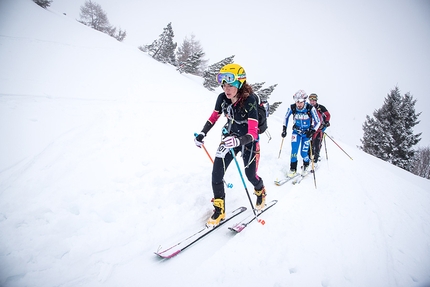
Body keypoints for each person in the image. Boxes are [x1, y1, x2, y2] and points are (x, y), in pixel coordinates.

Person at [194, 63, 266, 227]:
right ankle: (220, 209)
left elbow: (253, 132)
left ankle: (260, 190)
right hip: (230, 138)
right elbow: (213, 117)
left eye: (231, 85)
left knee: (250, 175)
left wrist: (239, 141)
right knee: (217, 172)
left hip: (248, 141)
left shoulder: (250, 100)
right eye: (224, 84)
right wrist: (202, 133)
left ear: (240, 84)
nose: (227, 89)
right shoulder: (222, 98)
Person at [281, 90, 321, 177]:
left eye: (300, 102)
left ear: (304, 101)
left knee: (303, 153)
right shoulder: (292, 107)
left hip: (306, 134)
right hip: (296, 132)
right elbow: (286, 117)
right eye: (297, 102)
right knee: (294, 151)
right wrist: (284, 129)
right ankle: (293, 169)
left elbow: (318, 121)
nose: (298, 104)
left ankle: (306, 165)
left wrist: (312, 131)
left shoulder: (310, 108)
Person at [308, 93, 331, 164]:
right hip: (311, 128)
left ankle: (316, 159)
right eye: (311, 100)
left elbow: (328, 115)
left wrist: (326, 122)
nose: (312, 102)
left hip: (320, 128)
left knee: (317, 143)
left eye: (314, 100)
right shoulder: (307, 107)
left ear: (316, 100)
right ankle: (309, 157)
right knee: (310, 143)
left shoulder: (321, 108)